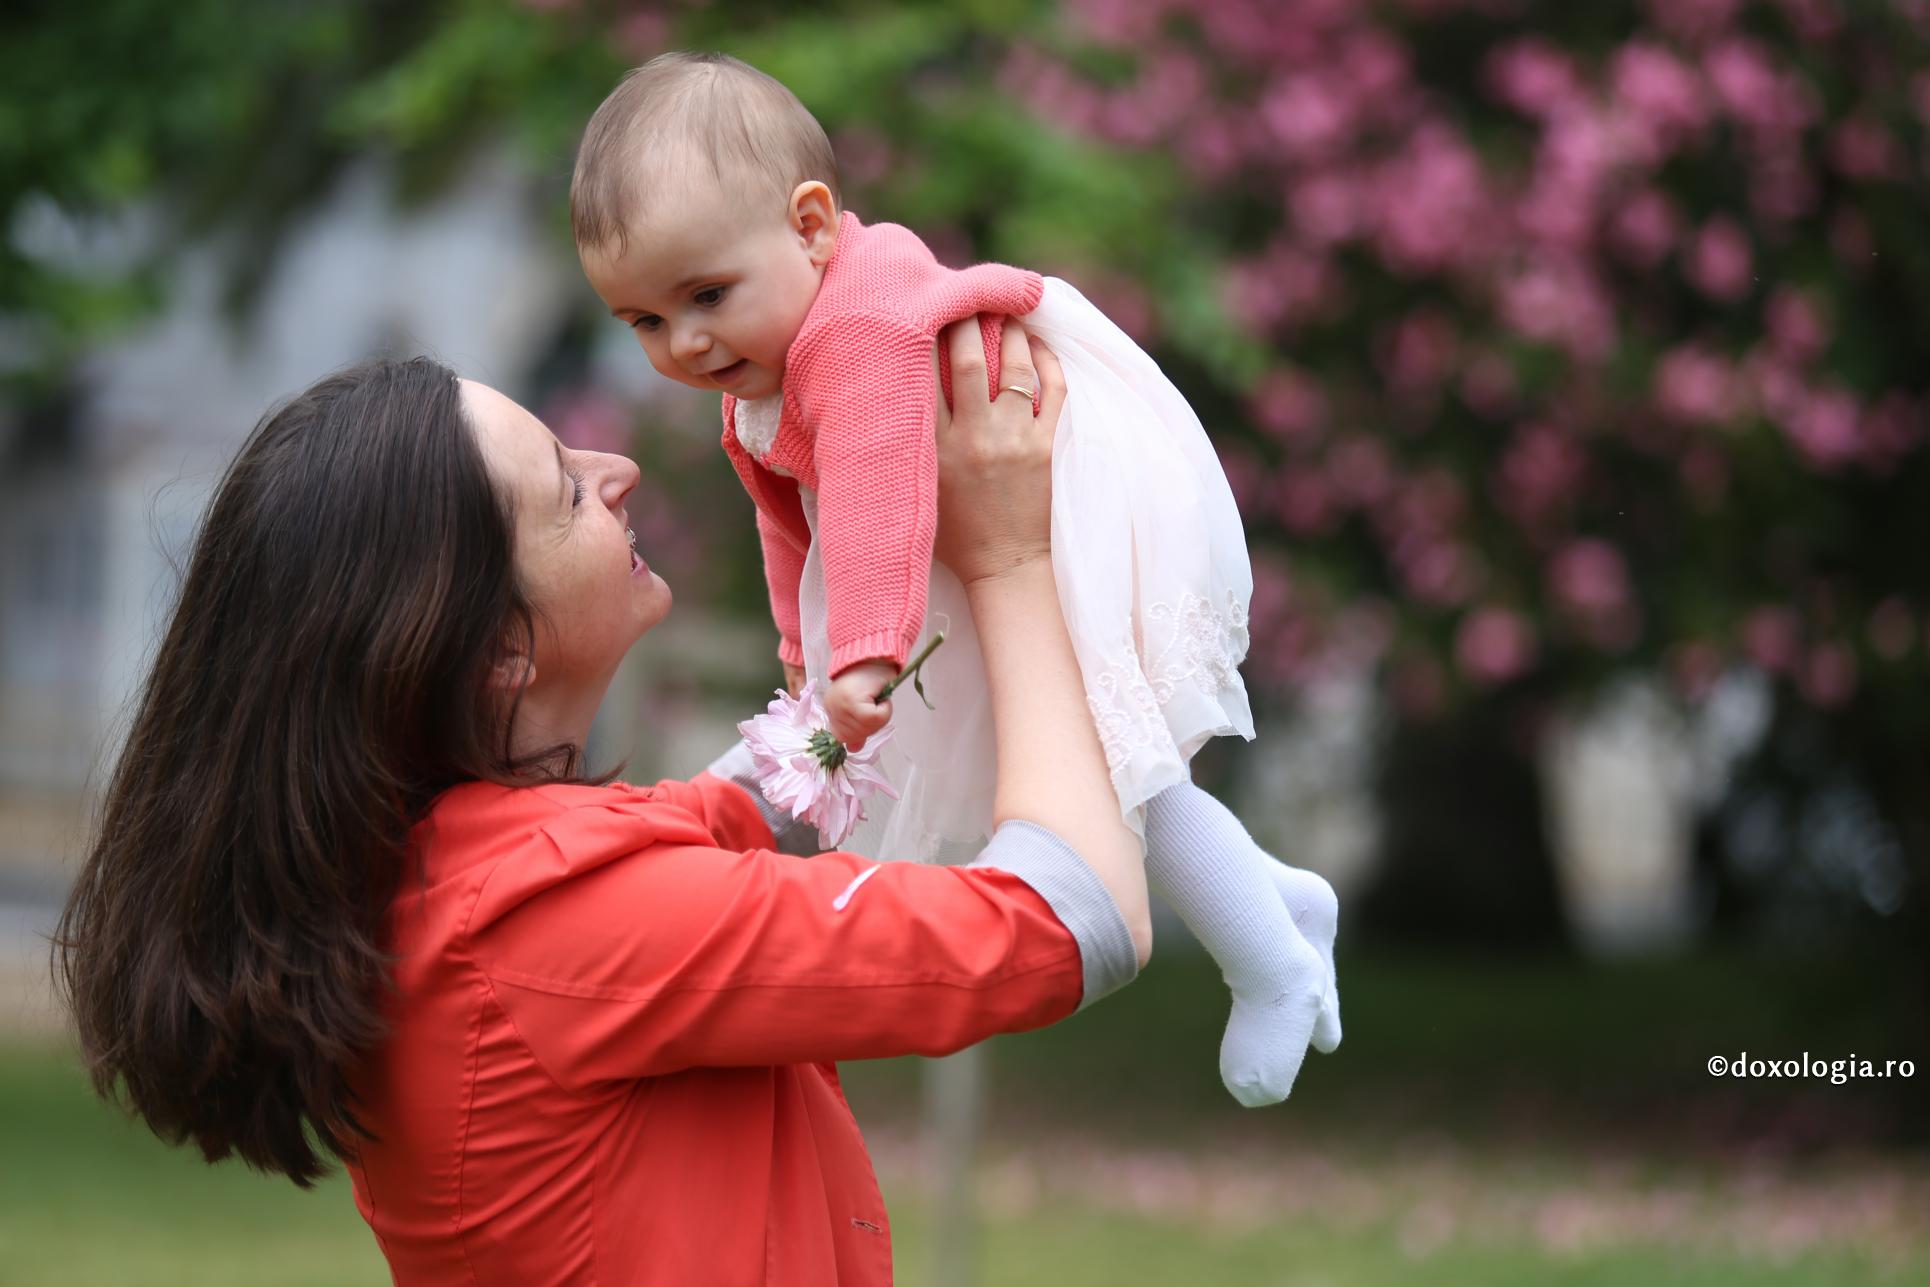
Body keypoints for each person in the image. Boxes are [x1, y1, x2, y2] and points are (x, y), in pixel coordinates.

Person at [54, 321, 1150, 1285]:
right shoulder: (553, 922)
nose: (616, 467)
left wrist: (874, 591)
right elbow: (1072, 922)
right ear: (496, 652)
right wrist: (1008, 556)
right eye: (566, 491)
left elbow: (753, 803)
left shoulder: (446, 874)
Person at [571, 51, 1341, 1106]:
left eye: (705, 295)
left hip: (1056, 487)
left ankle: (1276, 960)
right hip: (982, 518)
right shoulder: (757, 365)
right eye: (645, 323)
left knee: (1116, 754)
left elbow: (881, 497)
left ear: (809, 226)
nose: (685, 342)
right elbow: (790, 524)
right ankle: (1278, 913)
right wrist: (808, 666)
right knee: (1115, 759)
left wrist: (870, 653)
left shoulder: (854, 332)